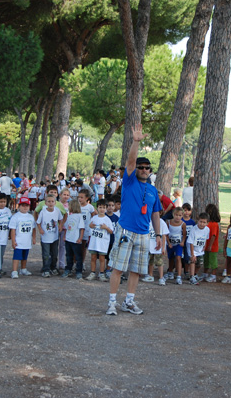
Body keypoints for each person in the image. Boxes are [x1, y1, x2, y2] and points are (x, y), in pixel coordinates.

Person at [105, 124, 162, 316]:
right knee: (119, 268)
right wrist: (136, 142)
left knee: (137, 270)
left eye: (147, 168)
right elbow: (130, 162)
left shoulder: (153, 190)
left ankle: (129, 301)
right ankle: (112, 302)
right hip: (126, 230)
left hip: (144, 234)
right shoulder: (129, 181)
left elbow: (155, 213)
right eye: (141, 167)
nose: (144, 170)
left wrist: (159, 234)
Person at [86, 199, 114, 281]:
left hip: (103, 243)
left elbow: (111, 231)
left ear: (106, 208)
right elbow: (90, 228)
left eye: (104, 207)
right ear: (97, 208)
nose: (102, 209)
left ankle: (101, 273)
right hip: (94, 242)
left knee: (102, 258)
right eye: (100, 207)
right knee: (93, 257)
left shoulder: (107, 219)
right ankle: (92, 272)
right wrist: (90, 226)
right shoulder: (94, 218)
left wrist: (106, 227)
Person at [37, 194, 64, 278]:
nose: (51, 203)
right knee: (46, 254)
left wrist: (60, 225)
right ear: (45, 203)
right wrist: (40, 229)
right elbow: (38, 222)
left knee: (54, 253)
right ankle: (46, 269)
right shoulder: (43, 212)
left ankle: (53, 267)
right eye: (49, 201)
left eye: (52, 201)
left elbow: (60, 219)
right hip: (45, 237)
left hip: (54, 237)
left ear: (55, 203)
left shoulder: (57, 211)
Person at [9, 197, 36, 279]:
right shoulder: (16, 217)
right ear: (19, 206)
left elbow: (33, 228)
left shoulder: (31, 217)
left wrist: (34, 238)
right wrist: (13, 241)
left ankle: (23, 269)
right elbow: (13, 230)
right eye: (23, 205)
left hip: (27, 240)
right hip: (19, 241)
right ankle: (14, 271)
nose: (25, 207)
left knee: (25, 255)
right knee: (17, 256)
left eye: (26, 206)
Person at [142, 213, 169, 285]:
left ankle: (161, 277)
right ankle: (150, 275)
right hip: (149, 245)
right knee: (150, 261)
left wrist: (163, 248)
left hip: (158, 247)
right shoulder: (148, 221)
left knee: (159, 262)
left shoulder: (162, 222)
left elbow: (164, 235)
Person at [62, 200, 86, 279]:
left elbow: (82, 228)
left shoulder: (79, 216)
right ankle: (68, 269)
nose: (68, 207)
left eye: (69, 206)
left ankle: (79, 271)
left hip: (76, 240)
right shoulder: (69, 216)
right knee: (69, 255)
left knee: (78, 257)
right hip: (68, 239)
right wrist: (65, 236)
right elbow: (66, 228)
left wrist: (80, 238)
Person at [187, 213, 211, 285]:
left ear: (207, 223)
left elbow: (206, 238)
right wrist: (192, 254)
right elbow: (191, 242)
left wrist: (204, 246)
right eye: (200, 221)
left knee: (200, 263)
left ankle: (195, 274)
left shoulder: (207, 229)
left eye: (204, 222)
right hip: (192, 248)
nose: (202, 224)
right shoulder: (194, 230)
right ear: (198, 221)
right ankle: (191, 277)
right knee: (193, 261)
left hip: (200, 248)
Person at [166, 207, 187, 285]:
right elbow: (166, 234)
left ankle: (179, 276)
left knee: (178, 258)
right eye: (176, 215)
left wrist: (182, 242)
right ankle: (170, 272)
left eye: (180, 215)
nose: (178, 217)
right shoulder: (168, 223)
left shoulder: (183, 224)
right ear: (173, 215)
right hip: (171, 243)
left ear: (182, 216)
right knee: (170, 258)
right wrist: (168, 243)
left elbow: (184, 235)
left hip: (178, 244)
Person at [201, 204, 221, 283]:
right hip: (206, 246)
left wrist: (210, 245)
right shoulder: (207, 223)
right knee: (206, 260)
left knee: (213, 261)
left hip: (212, 247)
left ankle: (213, 275)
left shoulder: (214, 224)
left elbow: (213, 235)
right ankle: (205, 273)